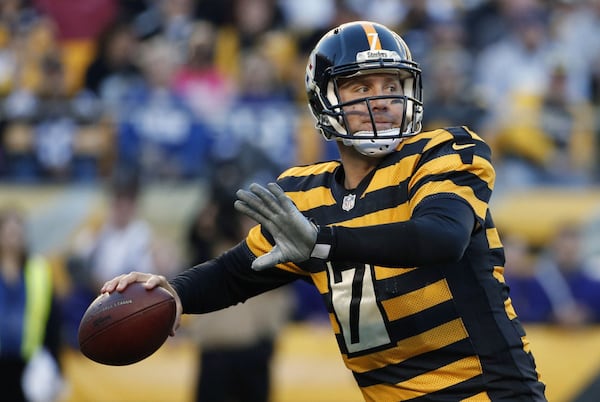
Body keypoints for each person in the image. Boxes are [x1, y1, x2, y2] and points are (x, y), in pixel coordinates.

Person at [102, 21, 548, 401]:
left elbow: (441, 238)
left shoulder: (442, 152)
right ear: (324, 101)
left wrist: (323, 244)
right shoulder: (306, 192)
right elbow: (238, 271)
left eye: (392, 85)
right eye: (361, 87)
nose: (383, 99)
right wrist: (174, 293)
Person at [0, 207, 63, 402]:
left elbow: (52, 320)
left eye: (17, 231)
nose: (13, 237)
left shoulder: (39, 271)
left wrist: (55, 364)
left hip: (29, 366)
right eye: (8, 231)